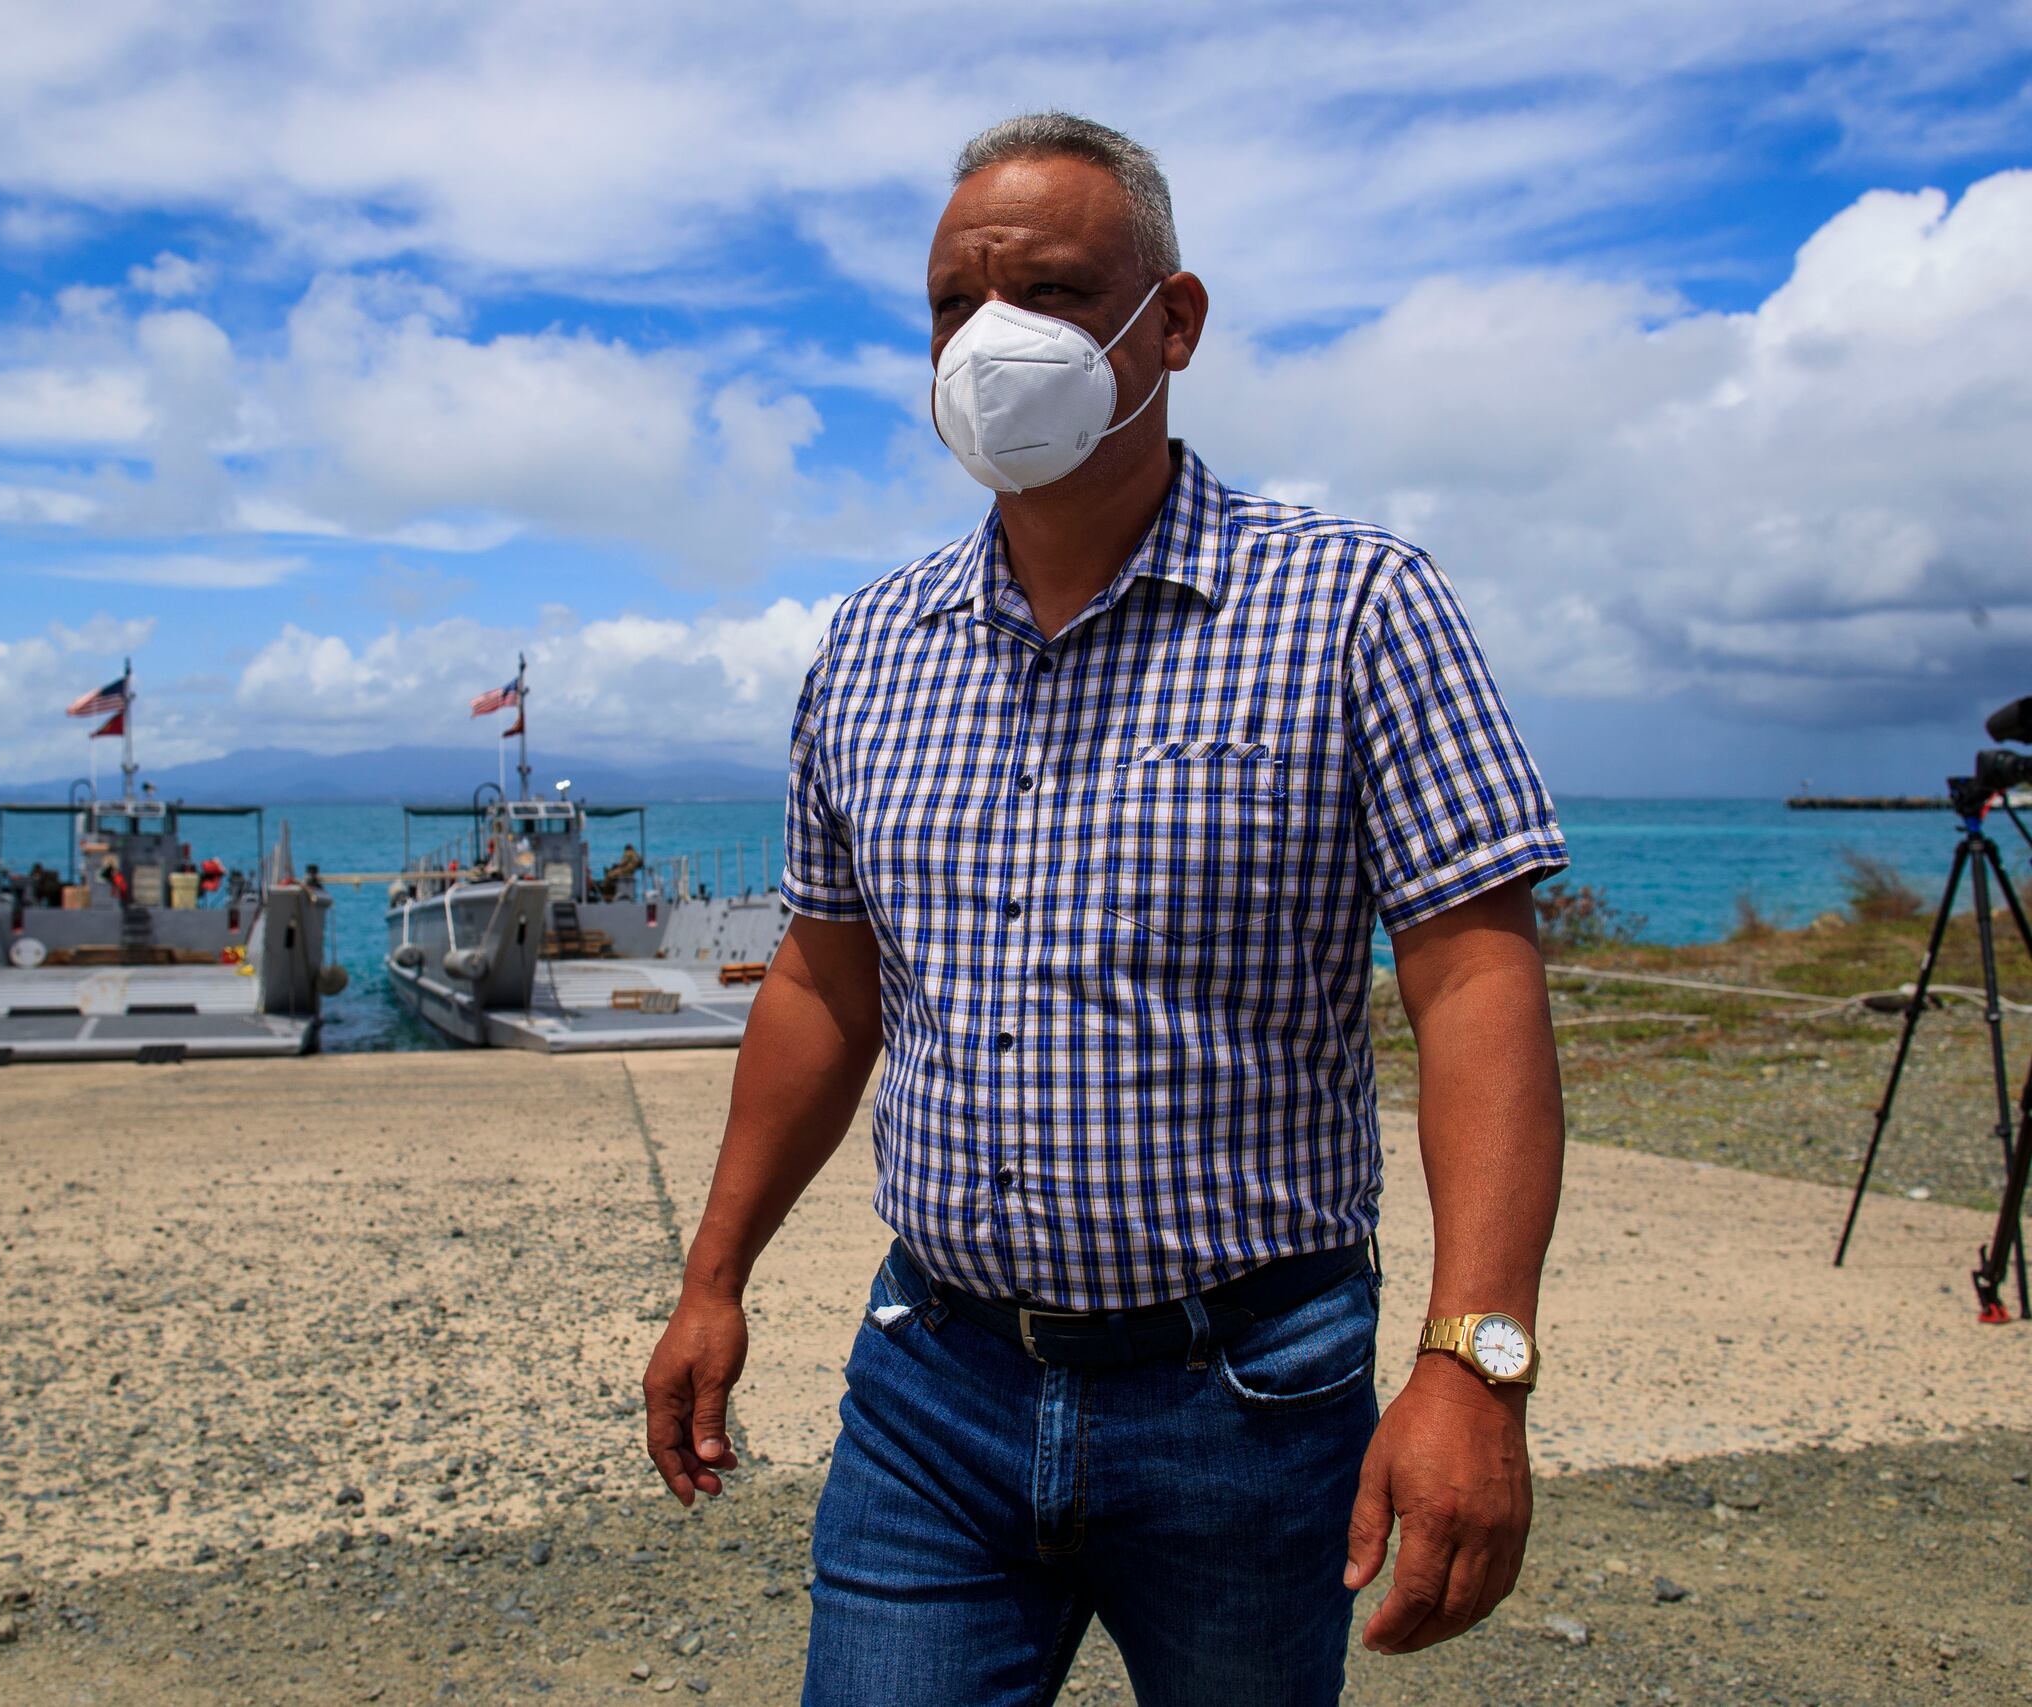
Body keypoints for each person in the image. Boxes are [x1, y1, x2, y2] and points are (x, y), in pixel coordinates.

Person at [641, 113, 1568, 1706]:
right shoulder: (871, 647)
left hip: (1248, 1395)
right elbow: (822, 984)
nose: (994, 340)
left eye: (1057, 291)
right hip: (932, 1381)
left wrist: (1475, 1360)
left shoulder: (1351, 604)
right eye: (954, 305)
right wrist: (713, 1278)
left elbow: (1473, 984)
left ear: (1175, 322)